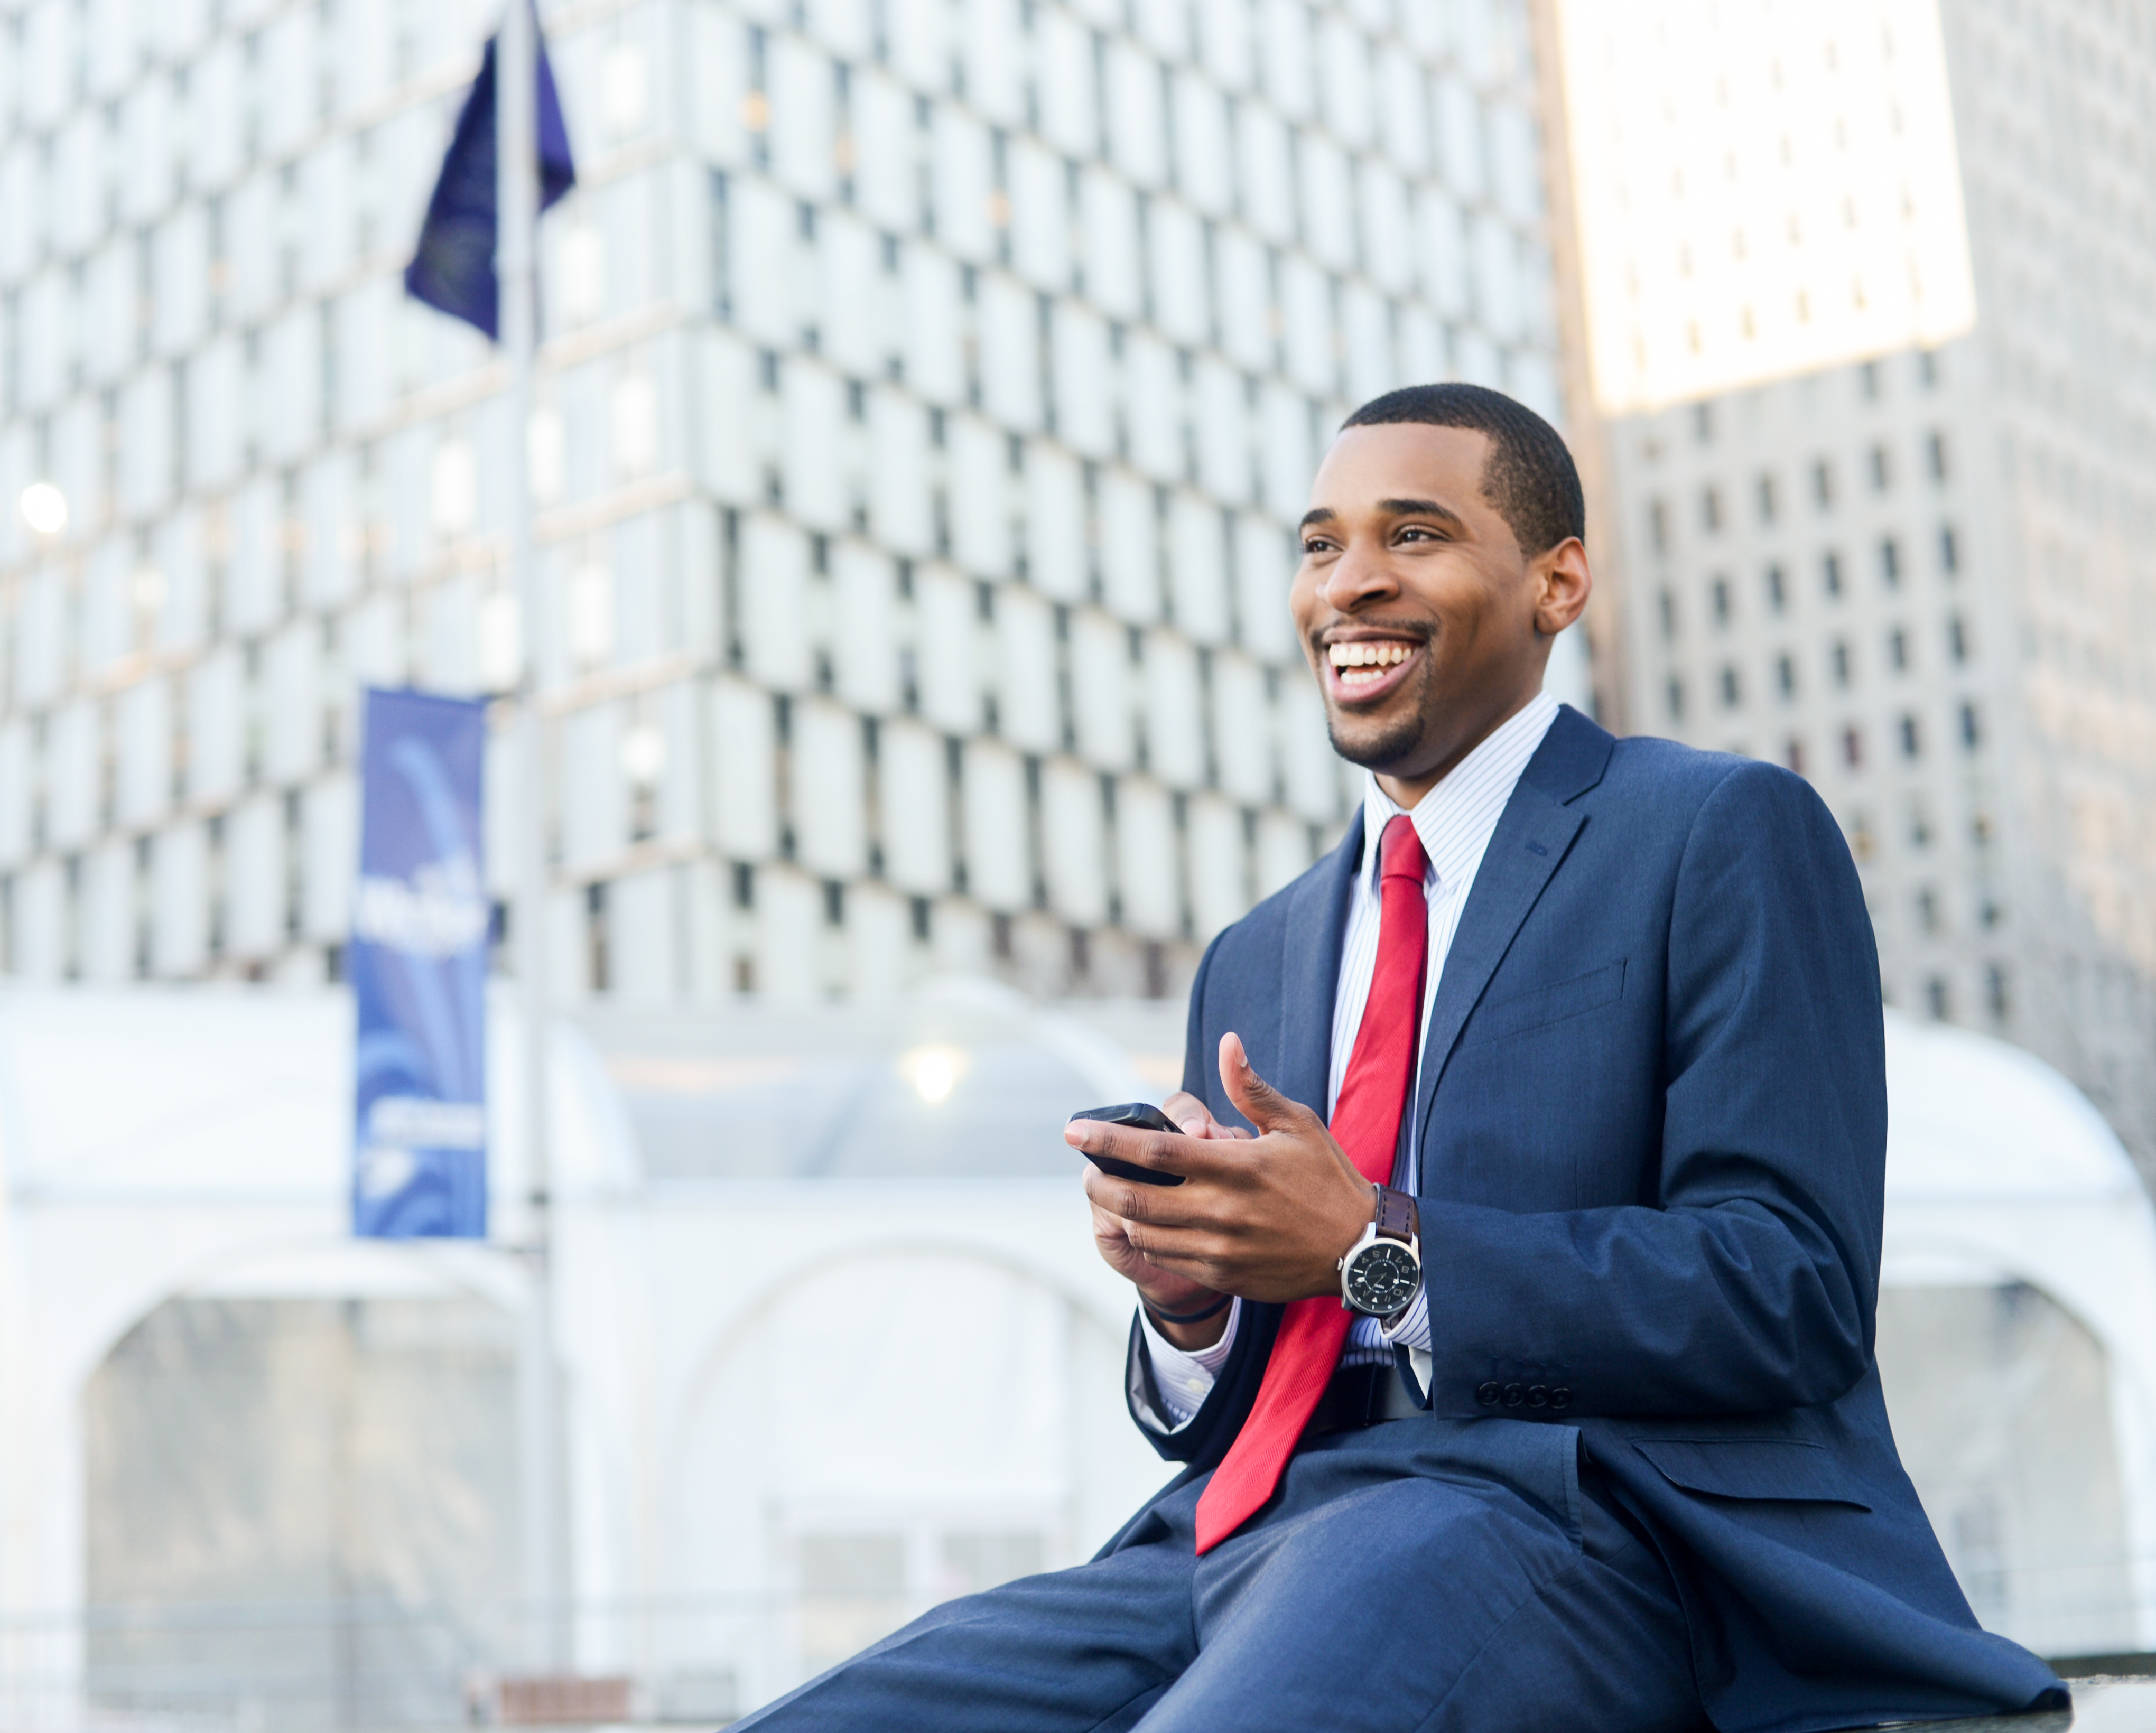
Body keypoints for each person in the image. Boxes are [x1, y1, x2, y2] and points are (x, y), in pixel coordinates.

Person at [732, 384, 2066, 1732]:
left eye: (1413, 534)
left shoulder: (1716, 831)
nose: (1350, 582)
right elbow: (1244, 1391)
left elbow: (1787, 1290)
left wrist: (1375, 1244)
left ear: (1557, 582)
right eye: (1320, 544)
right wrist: (1191, 1305)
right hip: (1236, 1536)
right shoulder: (1252, 954)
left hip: (1580, 1521)